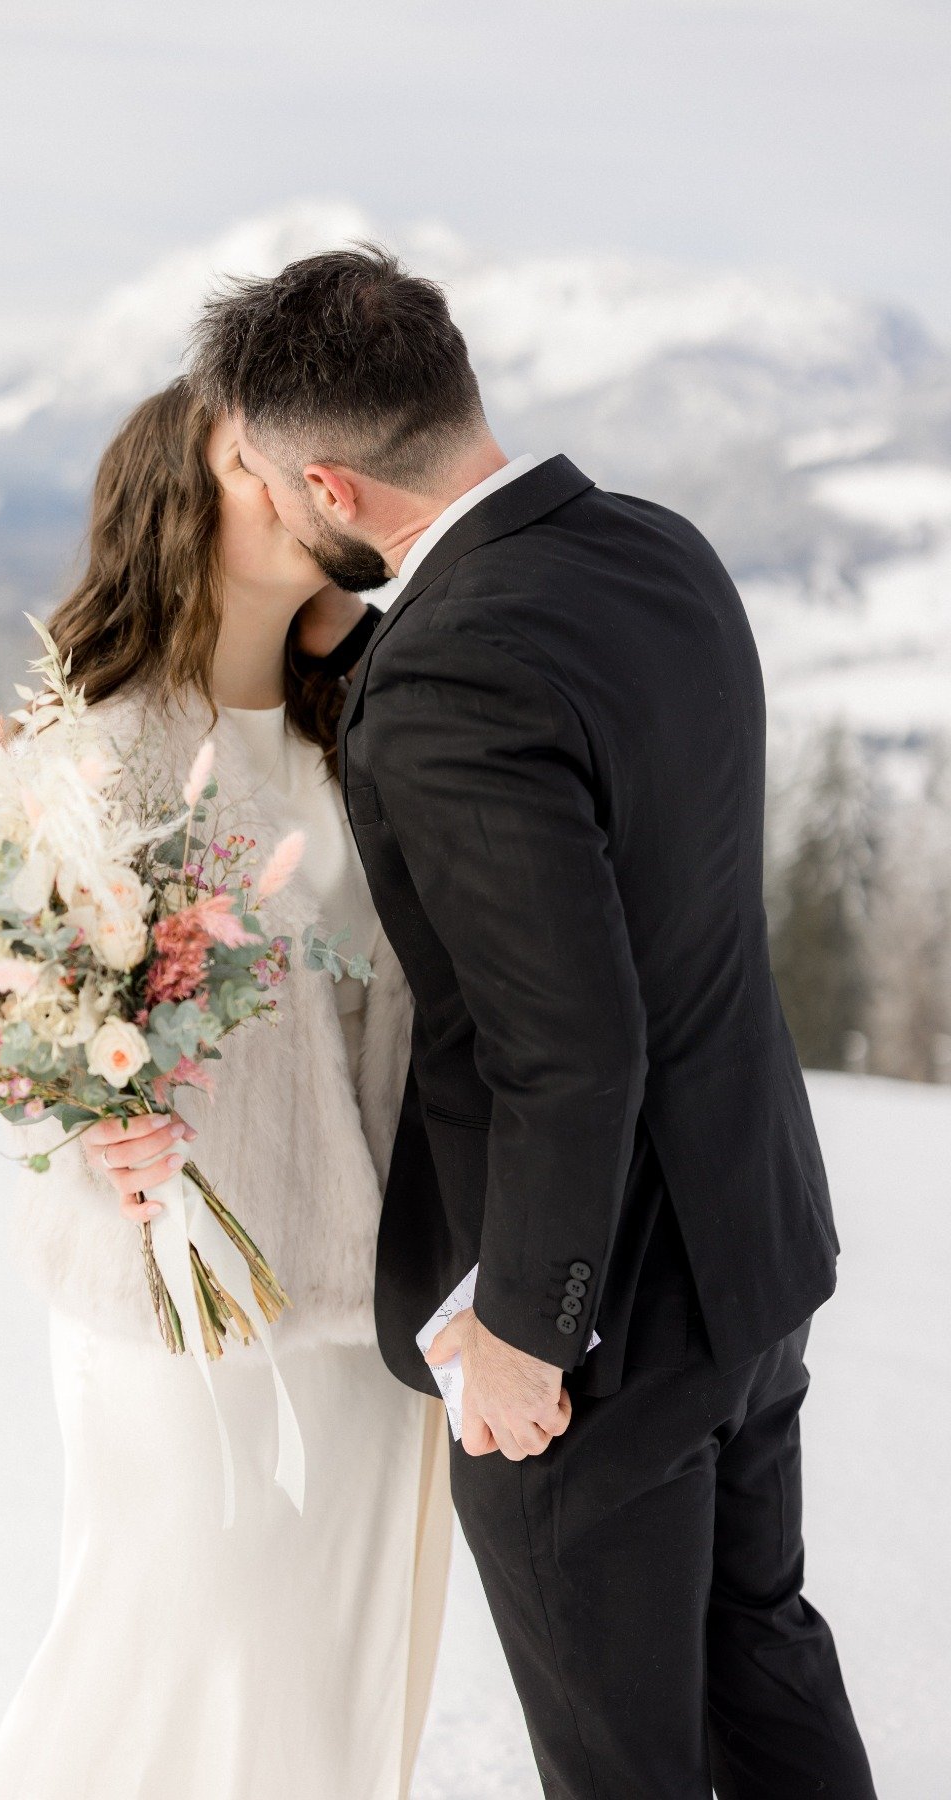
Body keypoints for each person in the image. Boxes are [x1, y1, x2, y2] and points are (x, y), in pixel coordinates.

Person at [188, 246, 878, 1799]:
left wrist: (520, 1335)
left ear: (331, 488)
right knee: (760, 1659)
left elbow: (570, 1045)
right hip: (752, 1245)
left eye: (266, 481)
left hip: (597, 1337)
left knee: (618, 1763)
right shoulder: (658, 552)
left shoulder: (444, 680)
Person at [0, 377, 452, 1800]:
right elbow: (9, 1014)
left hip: (382, 1290)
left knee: (349, 1670)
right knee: (166, 1639)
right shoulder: (100, 747)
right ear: (178, 504)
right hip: (174, 1287)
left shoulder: (371, 720)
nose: (297, 485)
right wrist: (87, 1130)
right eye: (254, 468)